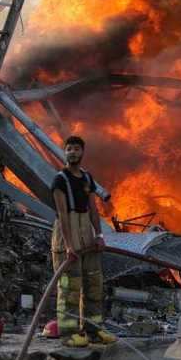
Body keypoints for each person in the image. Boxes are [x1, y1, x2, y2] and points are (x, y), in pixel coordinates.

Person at [51, 135, 116, 347]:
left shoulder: (87, 178)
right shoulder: (60, 180)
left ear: (82, 152)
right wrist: (69, 246)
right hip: (67, 235)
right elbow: (62, 214)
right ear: (65, 152)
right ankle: (68, 334)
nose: (72, 152)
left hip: (87, 236)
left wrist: (99, 235)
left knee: (94, 284)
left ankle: (93, 330)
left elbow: (93, 209)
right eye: (69, 149)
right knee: (70, 287)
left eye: (76, 149)